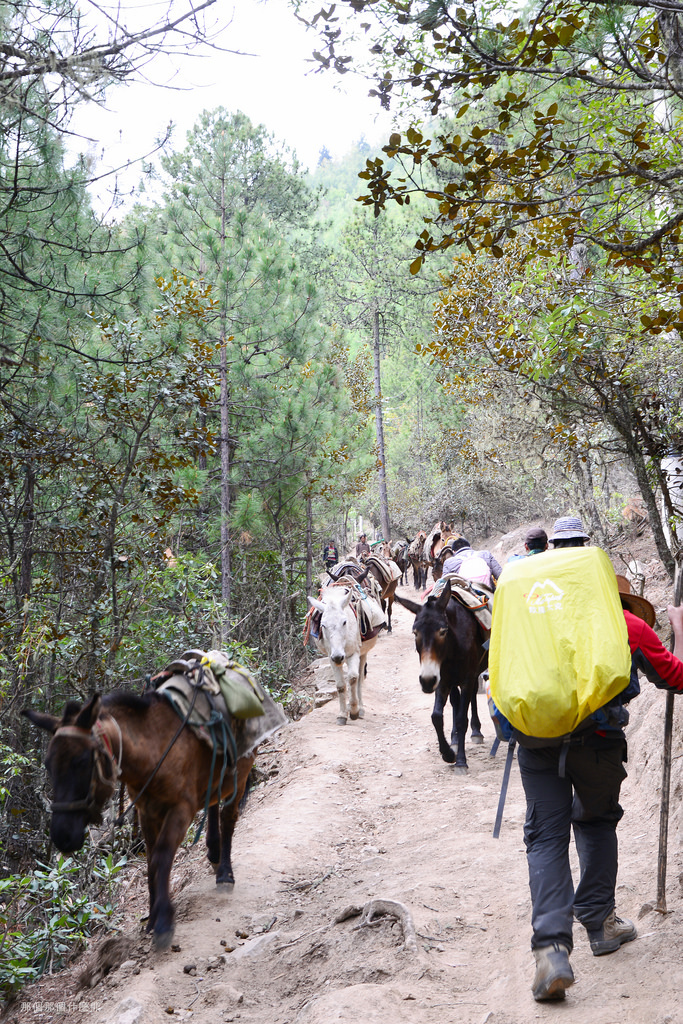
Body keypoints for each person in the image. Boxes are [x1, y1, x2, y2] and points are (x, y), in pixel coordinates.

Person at [519, 514, 683, 1002]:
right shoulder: (625, 621)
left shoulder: (532, 612)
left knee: (545, 837)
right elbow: (673, 677)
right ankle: (600, 924)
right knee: (595, 823)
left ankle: (550, 950)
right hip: (599, 742)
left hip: (537, 741)